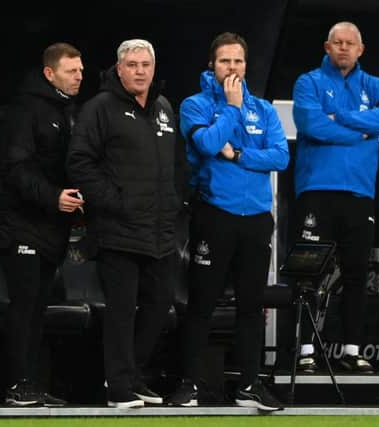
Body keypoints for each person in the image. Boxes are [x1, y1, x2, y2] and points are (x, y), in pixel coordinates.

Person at [167, 32, 288, 410]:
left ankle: (249, 385)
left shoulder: (265, 110)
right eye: (224, 61)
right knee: (201, 304)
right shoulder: (194, 105)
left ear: (246, 65)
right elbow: (205, 145)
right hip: (214, 214)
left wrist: (236, 155)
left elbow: (280, 158)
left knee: (251, 306)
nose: (232, 68)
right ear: (211, 66)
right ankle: (188, 385)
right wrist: (232, 109)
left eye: (237, 61)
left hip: (255, 220)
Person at [67, 39, 179, 408]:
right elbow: (81, 162)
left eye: (146, 64)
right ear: (119, 69)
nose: (140, 71)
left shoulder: (163, 108)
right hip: (118, 230)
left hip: (161, 231)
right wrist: (115, 203)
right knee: (120, 311)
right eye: (132, 65)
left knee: (160, 305)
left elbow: (178, 164)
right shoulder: (100, 108)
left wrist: (178, 200)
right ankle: (117, 386)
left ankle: (134, 375)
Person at [292, 22, 379, 373]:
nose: (344, 48)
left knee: (356, 273)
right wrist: (360, 130)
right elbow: (311, 125)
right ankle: (304, 348)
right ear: (326, 46)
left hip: (359, 192)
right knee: (309, 273)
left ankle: (351, 349)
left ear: (360, 49)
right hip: (317, 190)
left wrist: (343, 118)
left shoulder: (373, 84)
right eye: (337, 42)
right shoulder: (309, 82)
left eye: (350, 43)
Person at [0, 42, 84, 406]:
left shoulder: (67, 111)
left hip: (49, 228)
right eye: (71, 71)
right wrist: (53, 197)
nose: (79, 76)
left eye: (80, 71)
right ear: (50, 73)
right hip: (19, 224)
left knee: (38, 307)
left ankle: (29, 382)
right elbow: (15, 169)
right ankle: (15, 384)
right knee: (24, 305)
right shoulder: (25, 109)